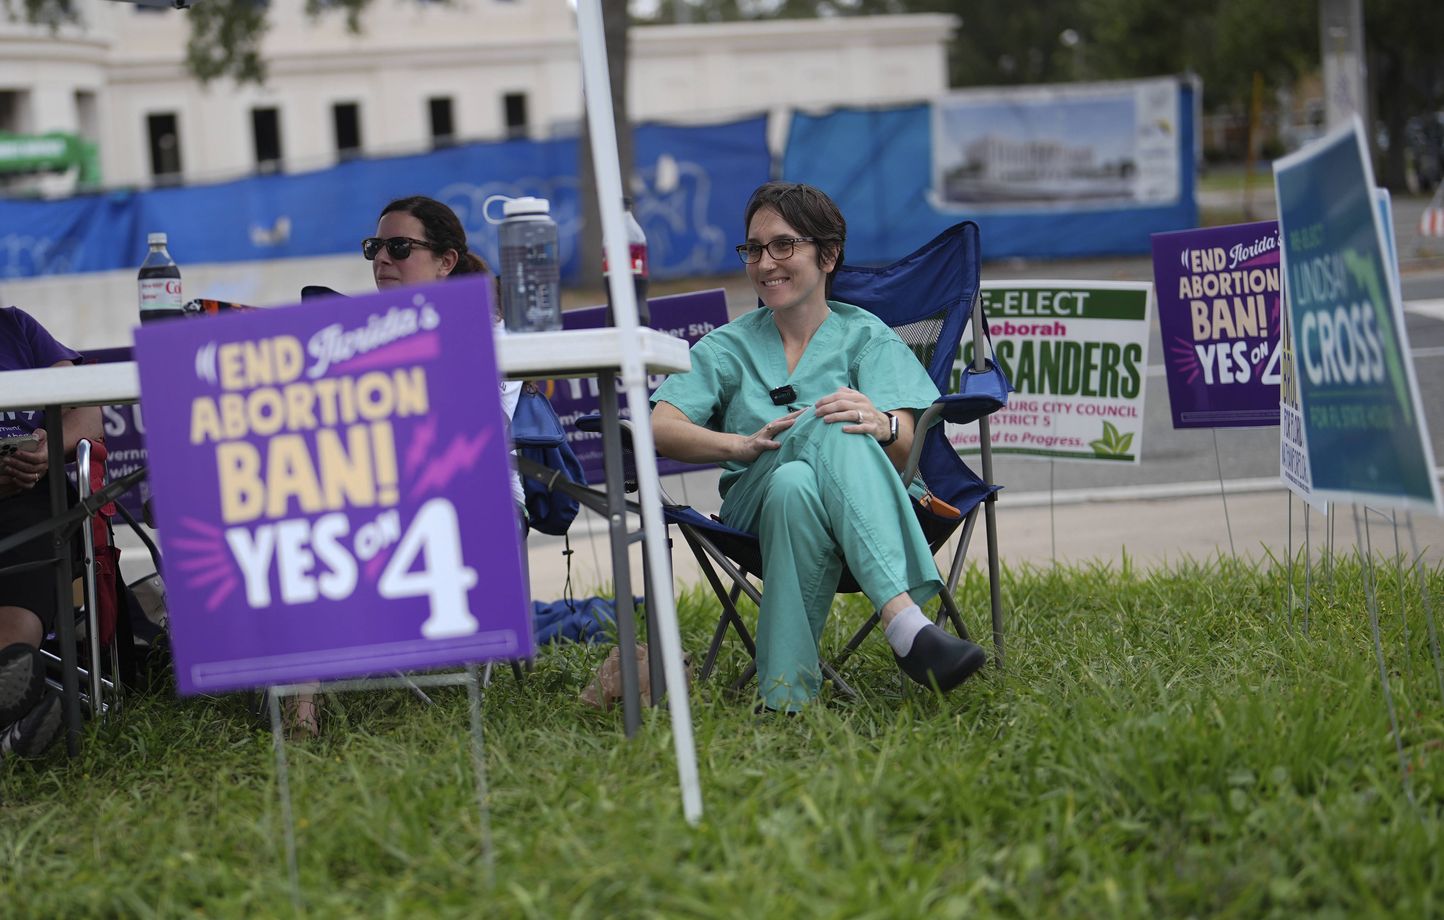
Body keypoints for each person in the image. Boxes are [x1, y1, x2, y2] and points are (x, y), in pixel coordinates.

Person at [649, 182, 987, 712]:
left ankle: (785, 697)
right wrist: (739, 445)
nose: (765, 263)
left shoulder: (867, 337)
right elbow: (659, 427)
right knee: (825, 422)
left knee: (797, 481)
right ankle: (903, 618)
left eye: (783, 245)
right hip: (750, 509)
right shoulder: (726, 347)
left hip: (860, 503)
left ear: (828, 255)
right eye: (754, 249)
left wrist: (882, 425)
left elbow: (907, 452)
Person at [0, 306, 103, 759]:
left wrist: (46, 450)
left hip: (33, 501)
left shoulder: (14, 326)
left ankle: (13, 698)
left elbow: (86, 409)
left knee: (13, 653)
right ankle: (9, 736)